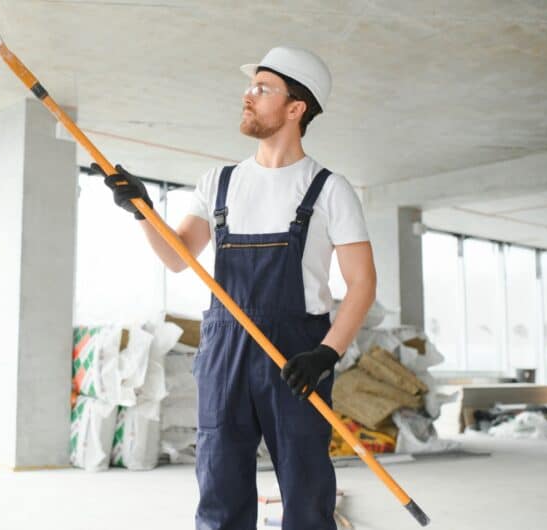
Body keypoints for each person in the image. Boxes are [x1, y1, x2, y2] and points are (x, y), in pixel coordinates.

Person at [93, 46, 376, 530]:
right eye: (250, 86)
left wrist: (327, 353)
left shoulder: (329, 189)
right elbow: (178, 258)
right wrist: (144, 211)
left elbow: (362, 283)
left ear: (295, 108)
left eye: (263, 88)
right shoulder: (219, 183)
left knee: (306, 494)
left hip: (297, 354)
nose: (248, 95)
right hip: (225, 350)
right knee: (220, 489)